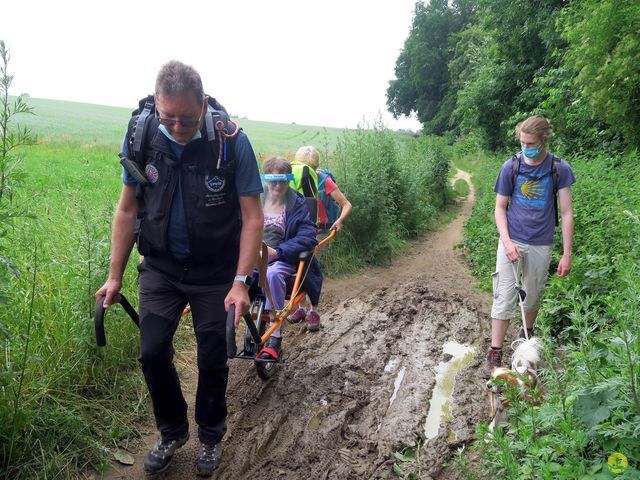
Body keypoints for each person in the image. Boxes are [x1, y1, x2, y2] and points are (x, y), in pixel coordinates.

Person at [95, 60, 263, 476]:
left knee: (212, 356)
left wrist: (241, 282)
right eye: (168, 116)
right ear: (156, 104)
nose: (177, 125)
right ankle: (172, 431)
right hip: (161, 267)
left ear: (203, 105)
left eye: (187, 118)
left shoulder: (230, 142)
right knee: (151, 353)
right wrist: (115, 276)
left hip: (215, 271)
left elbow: (253, 217)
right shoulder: (142, 135)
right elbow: (127, 209)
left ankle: (209, 437)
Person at [483, 115, 575, 378]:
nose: (526, 147)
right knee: (503, 296)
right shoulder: (510, 166)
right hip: (512, 240)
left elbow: (567, 213)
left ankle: (525, 343)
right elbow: (500, 208)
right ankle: (495, 352)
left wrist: (566, 254)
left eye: (531, 143)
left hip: (541, 243)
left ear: (544, 140)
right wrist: (507, 241)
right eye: (522, 142)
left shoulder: (559, 168)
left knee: (532, 296)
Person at [258, 157, 319, 359]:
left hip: (282, 258)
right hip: (254, 255)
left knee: (273, 274)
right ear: (266, 180)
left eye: (282, 180)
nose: (277, 184)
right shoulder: (256, 199)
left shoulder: (297, 203)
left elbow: (308, 235)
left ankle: (274, 334)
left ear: (288, 180)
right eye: (273, 179)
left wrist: (279, 251)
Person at [287, 145, 352, 330]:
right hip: (297, 229)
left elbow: (346, 204)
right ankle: (300, 308)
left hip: (319, 230)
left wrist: (339, 221)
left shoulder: (324, 180)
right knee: (297, 268)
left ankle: (313, 311)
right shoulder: (291, 176)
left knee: (309, 268)